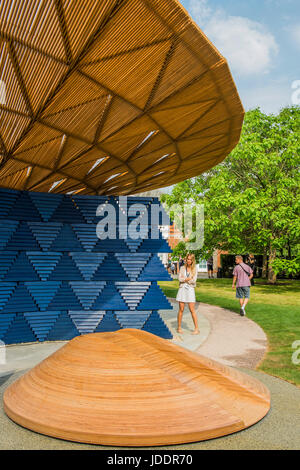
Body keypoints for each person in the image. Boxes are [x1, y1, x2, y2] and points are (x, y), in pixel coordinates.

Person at [176, 253, 200, 335]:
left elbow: (194, 280)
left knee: (192, 310)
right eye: (187, 259)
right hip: (182, 289)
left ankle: (196, 329)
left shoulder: (195, 269)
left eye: (190, 259)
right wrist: (187, 279)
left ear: (192, 260)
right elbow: (179, 278)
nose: (188, 261)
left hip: (190, 290)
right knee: (181, 309)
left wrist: (185, 279)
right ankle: (179, 327)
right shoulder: (182, 268)